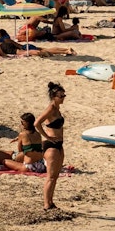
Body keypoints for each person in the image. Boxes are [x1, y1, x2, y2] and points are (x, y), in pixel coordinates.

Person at [39, 82, 67, 211]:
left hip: (59, 144)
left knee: (55, 176)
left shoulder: (57, 109)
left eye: (64, 95)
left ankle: (51, 202)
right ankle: (46, 204)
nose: (63, 98)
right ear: (54, 96)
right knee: (50, 177)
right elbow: (36, 123)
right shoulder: (50, 109)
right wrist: (47, 136)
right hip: (51, 145)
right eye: (61, 96)